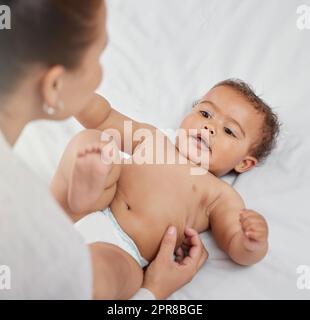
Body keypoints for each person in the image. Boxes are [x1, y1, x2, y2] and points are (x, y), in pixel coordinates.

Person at [0, 0, 207, 299]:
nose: (100, 75)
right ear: (54, 84)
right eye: (98, 58)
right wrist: (154, 291)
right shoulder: (32, 246)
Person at [50, 78, 280, 297]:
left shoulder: (220, 195)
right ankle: (85, 186)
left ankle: (74, 279)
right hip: (85, 209)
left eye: (229, 131)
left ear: (244, 163)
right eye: (205, 113)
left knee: (99, 276)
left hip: (125, 253)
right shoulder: (153, 139)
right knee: (93, 142)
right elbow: (104, 118)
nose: (209, 127)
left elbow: (234, 242)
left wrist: (252, 242)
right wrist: (78, 97)